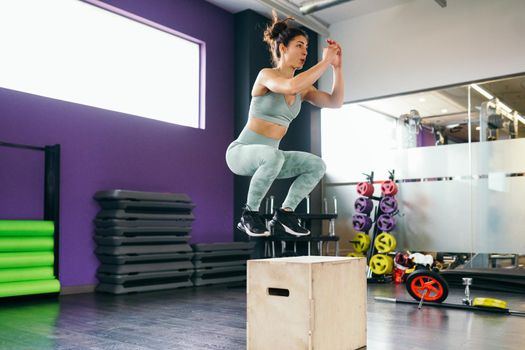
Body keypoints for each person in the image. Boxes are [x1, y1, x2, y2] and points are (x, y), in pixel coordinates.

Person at [225, 11, 344, 237]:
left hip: (272, 159)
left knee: (317, 165)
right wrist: (325, 60)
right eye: (299, 45)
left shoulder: (305, 89)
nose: (304, 52)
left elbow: (335, 102)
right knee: (274, 156)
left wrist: (336, 68)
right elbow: (290, 87)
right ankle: (249, 214)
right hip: (240, 153)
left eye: (307, 47)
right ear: (283, 48)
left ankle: (285, 213)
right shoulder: (267, 76)